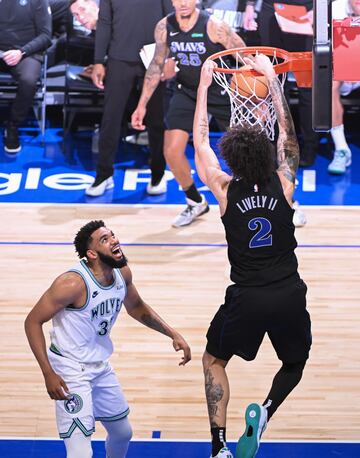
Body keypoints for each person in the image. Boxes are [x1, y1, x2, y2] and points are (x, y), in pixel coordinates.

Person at [193, 57, 311, 458]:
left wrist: (205, 86)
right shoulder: (284, 181)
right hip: (288, 291)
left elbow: (200, 142)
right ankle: (265, 410)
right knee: (293, 364)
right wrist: (274, 82)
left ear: (232, 157)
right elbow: (289, 136)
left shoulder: (224, 190)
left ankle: (219, 448)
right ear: (266, 154)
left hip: (246, 295)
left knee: (213, 361)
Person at [24, 220, 191, 458]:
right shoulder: (72, 284)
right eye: (105, 239)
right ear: (91, 254)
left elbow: (135, 306)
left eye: (112, 235)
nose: (114, 240)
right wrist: (48, 373)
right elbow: (32, 322)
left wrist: (172, 332)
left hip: (100, 366)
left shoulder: (122, 273)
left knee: (123, 432)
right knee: (80, 451)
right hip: (70, 369)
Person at [132, 0, 246, 227]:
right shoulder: (164, 27)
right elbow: (156, 66)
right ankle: (195, 201)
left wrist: (247, 82)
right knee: (172, 150)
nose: (183, 3)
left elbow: (244, 55)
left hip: (220, 90)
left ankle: (272, 200)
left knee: (243, 153)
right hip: (188, 92)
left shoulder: (214, 26)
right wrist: (141, 104)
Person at [85, 0, 174, 198]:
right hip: (119, 57)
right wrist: (99, 61)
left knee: (156, 120)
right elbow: (105, 22)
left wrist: (170, 57)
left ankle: (158, 174)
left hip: (155, 57)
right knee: (110, 118)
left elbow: (172, 20)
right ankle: (103, 175)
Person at [243, 0, 319, 168]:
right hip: (271, 10)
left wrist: (319, 8)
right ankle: (279, 145)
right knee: (274, 84)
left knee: (307, 88)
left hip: (305, 10)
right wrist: (249, 6)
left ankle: (309, 146)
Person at [0, 0, 52, 154]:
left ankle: (13, 125)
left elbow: (46, 35)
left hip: (25, 53)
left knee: (29, 80)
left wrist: (21, 52)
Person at [328, 0, 360, 174]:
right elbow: (334, 46)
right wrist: (348, 68)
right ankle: (342, 149)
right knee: (329, 84)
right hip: (342, 62)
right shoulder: (337, 8)